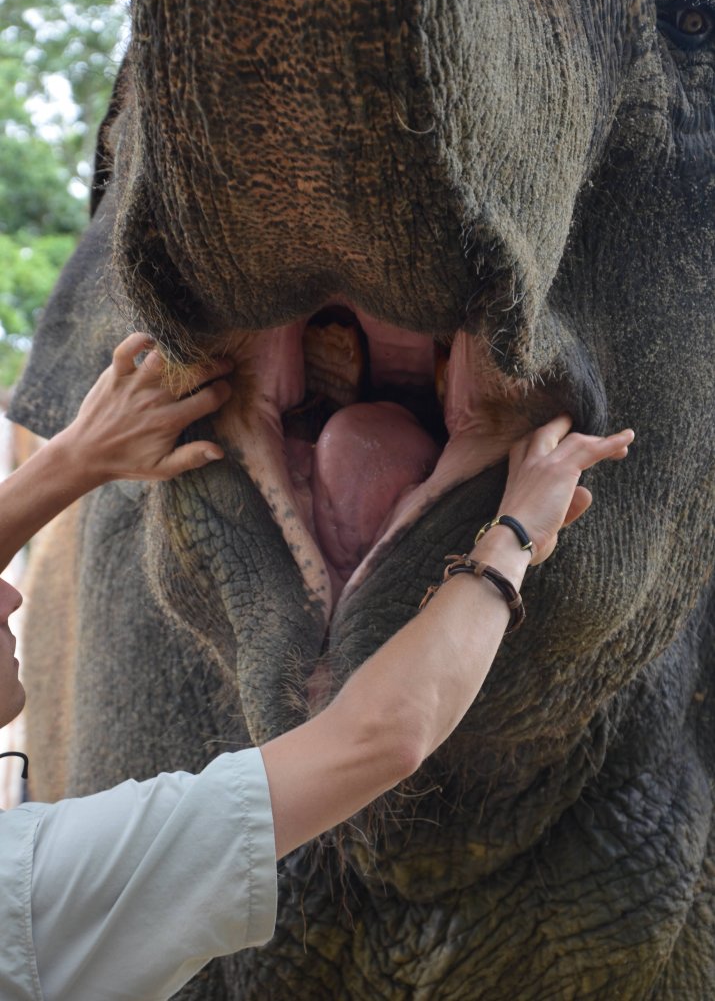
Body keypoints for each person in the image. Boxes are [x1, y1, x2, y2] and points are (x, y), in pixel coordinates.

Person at [0, 332, 634, 1000]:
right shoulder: (42, 891)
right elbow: (378, 737)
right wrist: (516, 531)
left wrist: (71, 460)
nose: (11, 591)